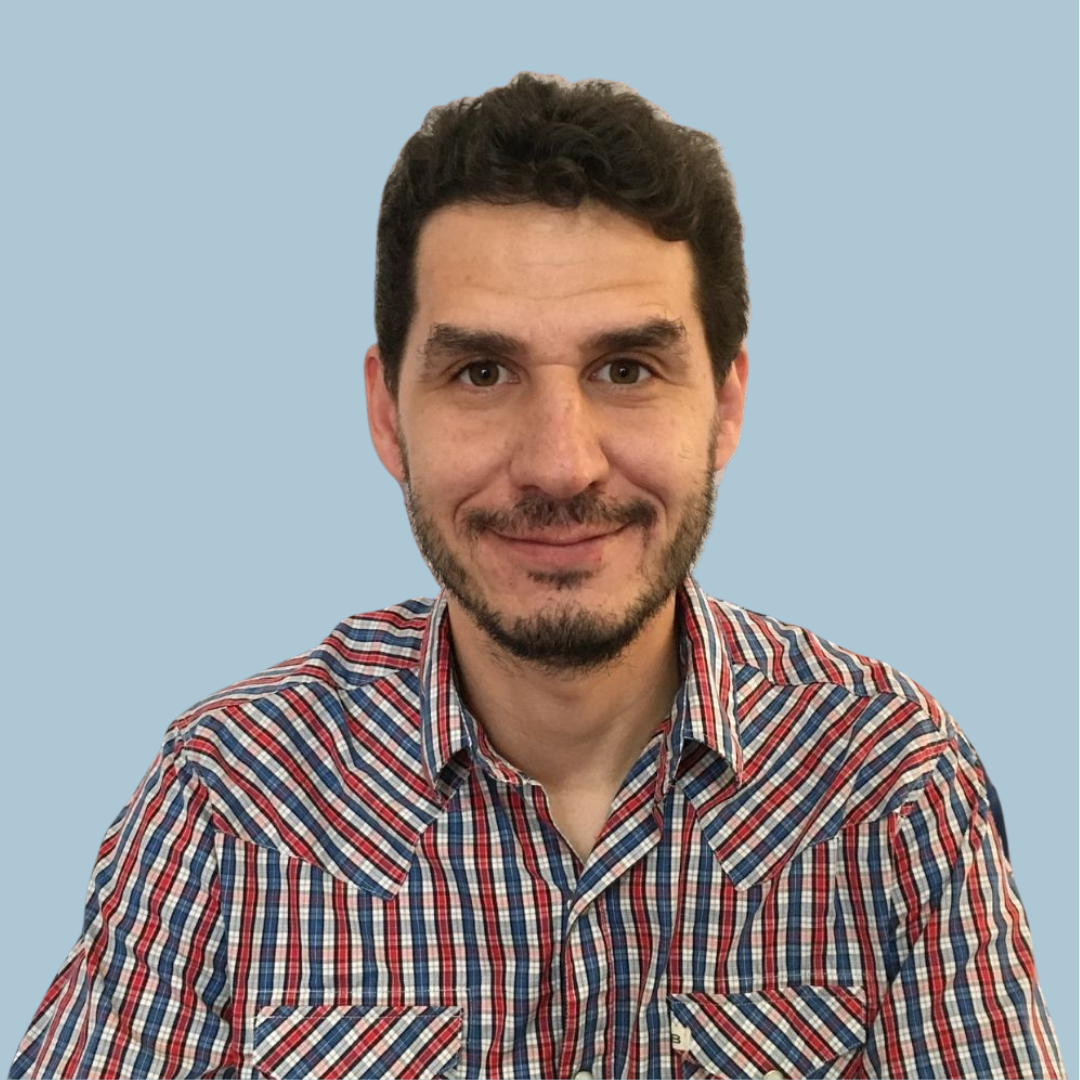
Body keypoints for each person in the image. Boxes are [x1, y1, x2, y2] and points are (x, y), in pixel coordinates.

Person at [10, 73, 1063, 1080]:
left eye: (626, 370)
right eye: (481, 372)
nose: (560, 464)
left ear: (727, 405)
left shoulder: (892, 785)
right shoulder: (230, 801)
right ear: (388, 414)